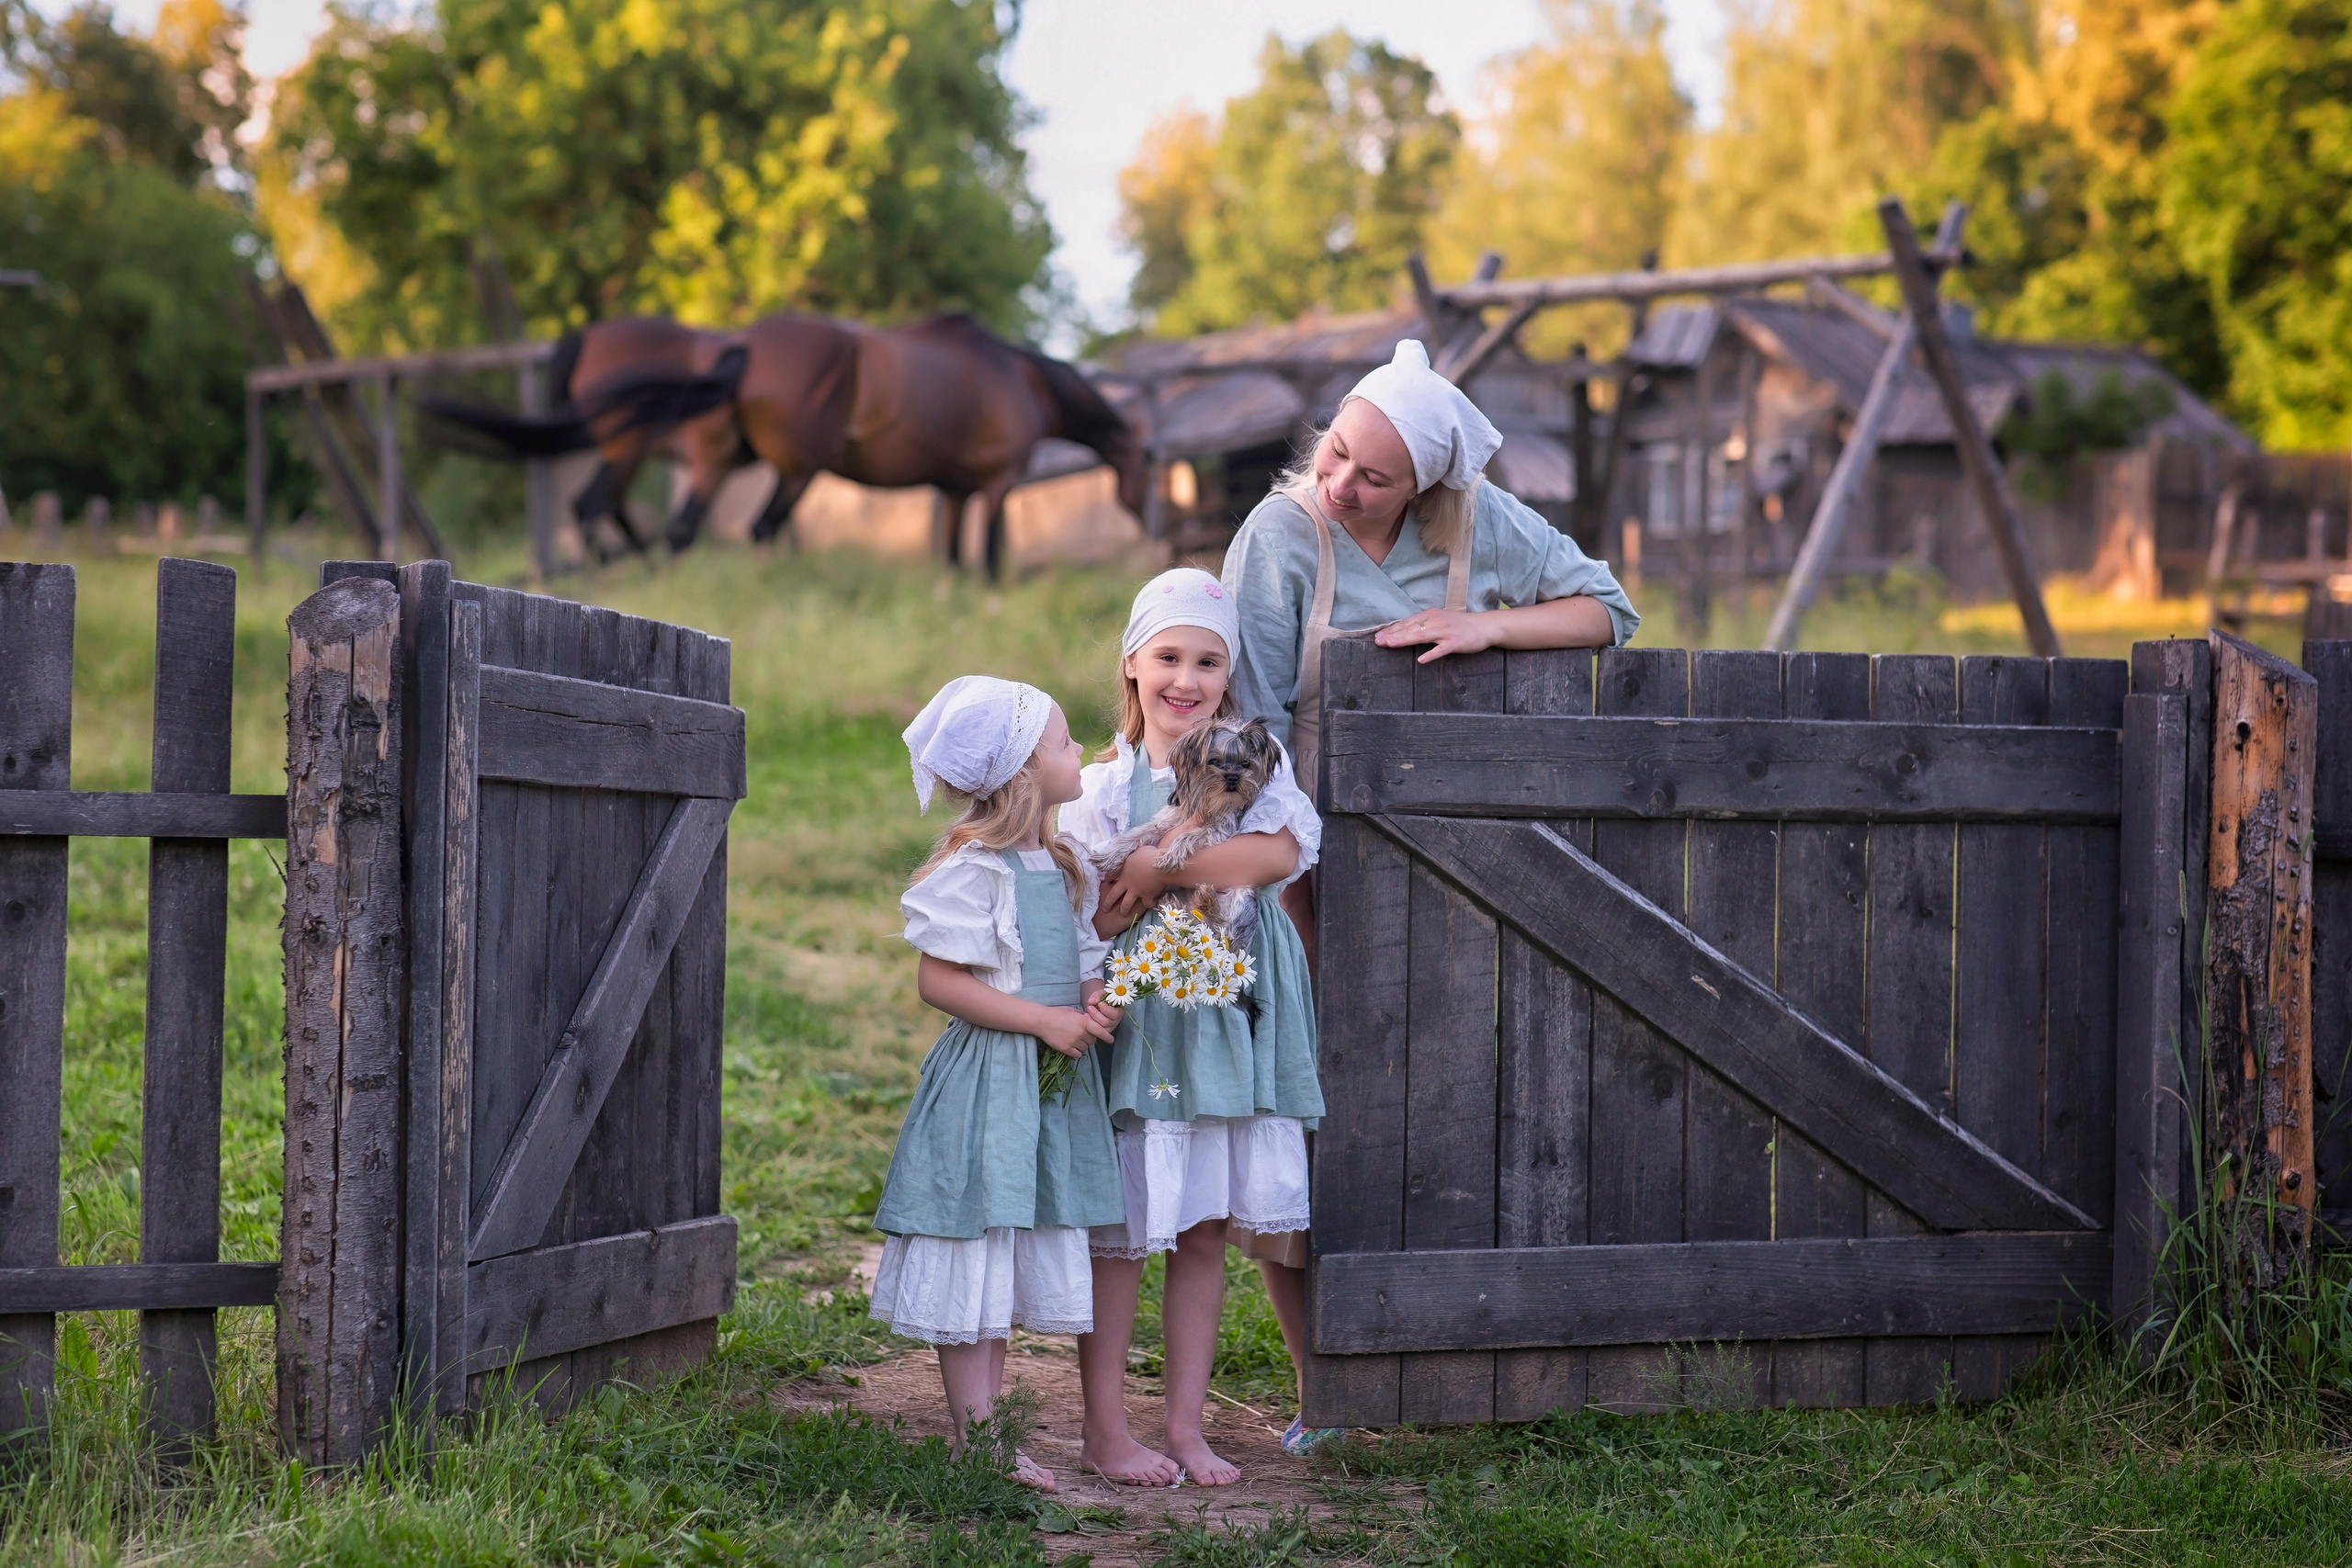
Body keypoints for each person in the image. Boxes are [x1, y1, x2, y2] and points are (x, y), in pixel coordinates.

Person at [1216, 339, 1640, 1450]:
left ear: (1432, 491)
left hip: (1449, 874)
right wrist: (1286, 893)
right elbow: (1245, 727)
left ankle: (1461, 1348)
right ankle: (1327, 1394)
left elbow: (1608, 611)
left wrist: (1487, 624)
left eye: (1373, 477)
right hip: (1297, 862)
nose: (1341, 485)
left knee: (1452, 1106)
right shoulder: (1279, 534)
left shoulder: (1482, 525)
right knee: (1307, 1120)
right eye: (1337, 453)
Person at [1064, 569, 1325, 1485]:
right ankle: (1104, 1428)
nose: (1187, 677)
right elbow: (1091, 914)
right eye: (1168, 656)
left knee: (1205, 1229)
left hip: (1221, 1032)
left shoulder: (1257, 763)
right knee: (1124, 1229)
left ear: (1229, 673)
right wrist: (1132, 871)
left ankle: (1183, 1426)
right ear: (1132, 666)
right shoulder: (1098, 787)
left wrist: (1163, 868)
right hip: (1141, 1035)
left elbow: (1278, 852)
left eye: (1207, 660)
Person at [869, 675, 1126, 1494]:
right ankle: (975, 1435)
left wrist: (1089, 998)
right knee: (975, 1243)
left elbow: (1077, 959)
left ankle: (985, 1431)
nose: (1076, 748)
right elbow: (939, 982)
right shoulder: (974, 868)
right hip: (990, 1082)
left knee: (1009, 1245)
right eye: (1060, 742)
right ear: (1021, 773)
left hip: (1046, 1089)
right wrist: (1043, 1021)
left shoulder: (1061, 860)